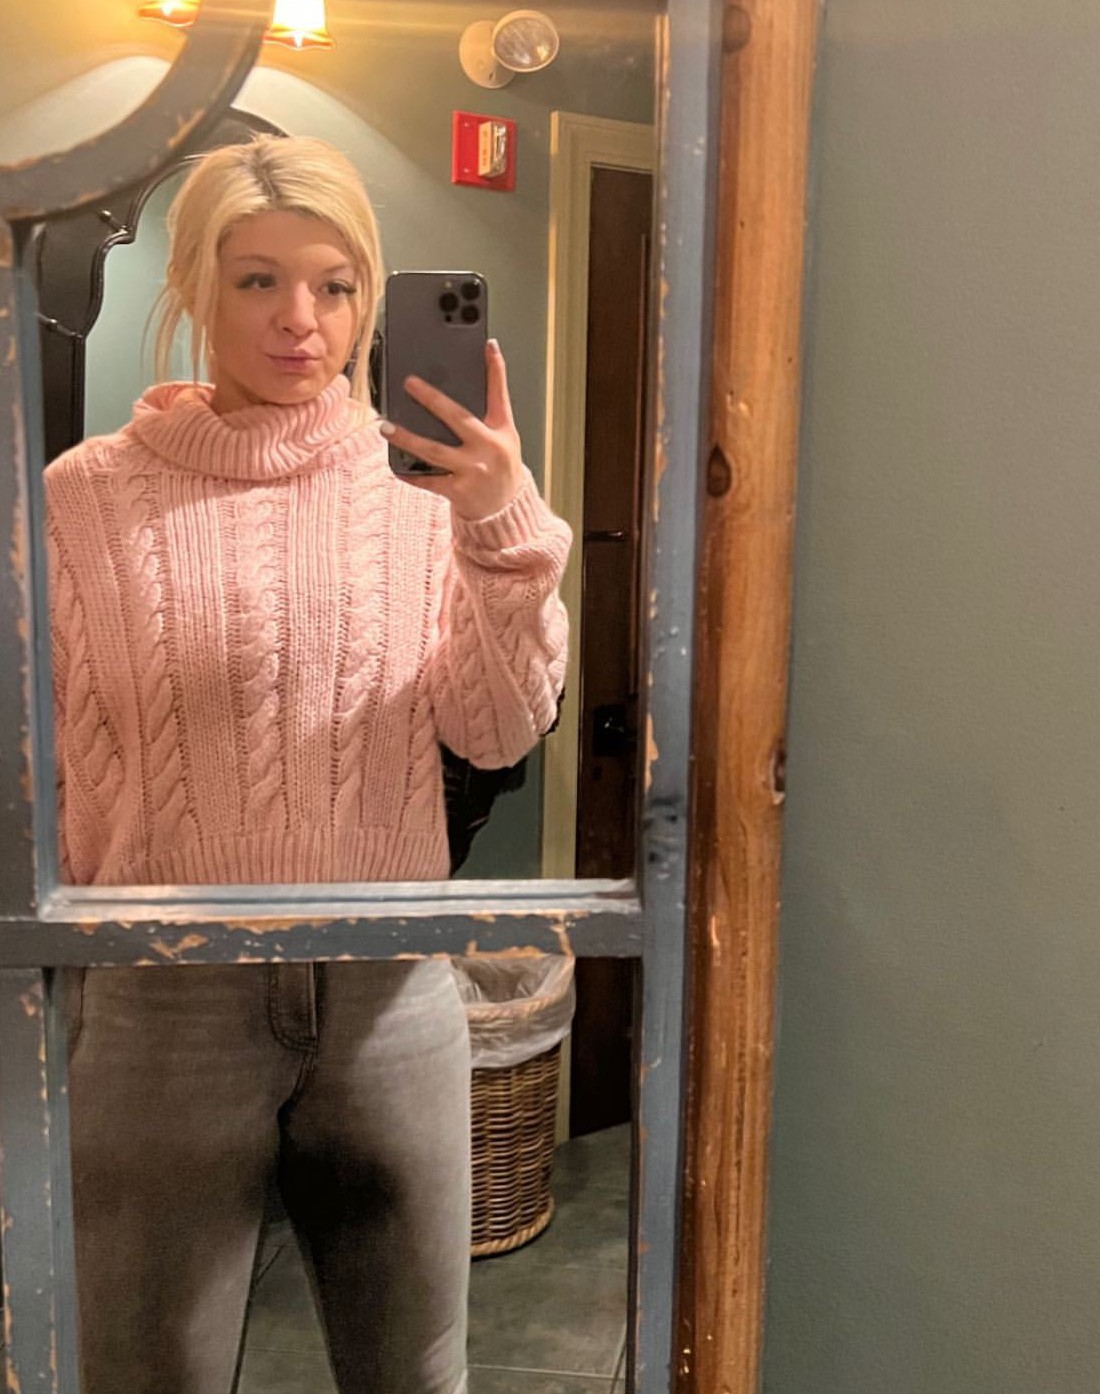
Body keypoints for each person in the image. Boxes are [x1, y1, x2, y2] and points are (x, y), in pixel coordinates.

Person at [45, 134, 570, 1394]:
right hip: (162, 991)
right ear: (194, 286)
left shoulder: (426, 491)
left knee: (414, 1372)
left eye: (336, 286)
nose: (301, 319)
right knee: (146, 1371)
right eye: (258, 281)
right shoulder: (82, 498)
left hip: (387, 985)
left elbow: (496, 731)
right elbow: (44, 755)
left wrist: (500, 529)